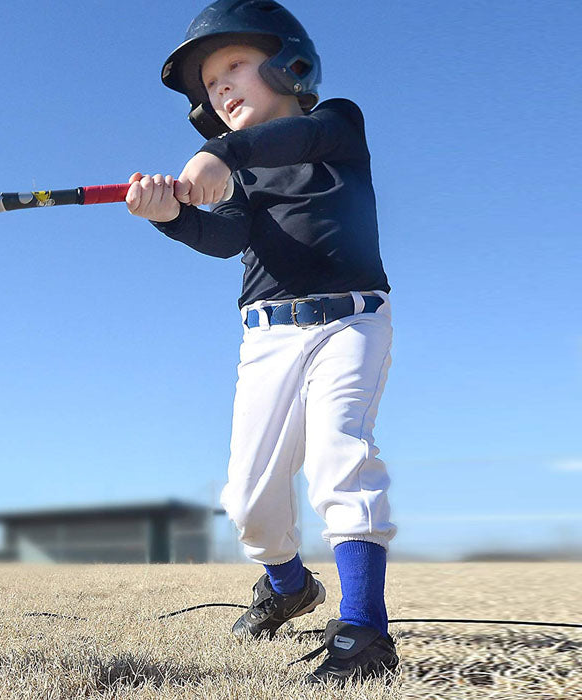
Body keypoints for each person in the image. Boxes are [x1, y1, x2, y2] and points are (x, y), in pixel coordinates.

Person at [125, 0, 399, 685]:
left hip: (349, 321)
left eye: (235, 65)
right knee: (247, 499)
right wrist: (172, 217)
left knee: (342, 457)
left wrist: (217, 154)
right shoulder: (240, 173)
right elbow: (225, 240)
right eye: (210, 83)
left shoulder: (336, 123)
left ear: (289, 64)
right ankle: (287, 585)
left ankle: (365, 633)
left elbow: (284, 144)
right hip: (266, 335)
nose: (220, 86)